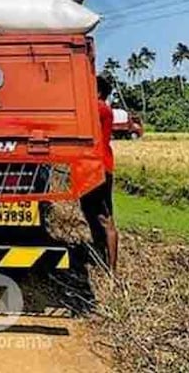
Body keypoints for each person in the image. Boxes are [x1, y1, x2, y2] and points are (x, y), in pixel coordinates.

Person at [81, 75, 119, 270]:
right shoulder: (102, 107)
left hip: (98, 166)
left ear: (98, 91)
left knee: (105, 218)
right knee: (89, 210)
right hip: (96, 165)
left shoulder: (99, 107)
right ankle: (100, 255)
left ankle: (111, 269)